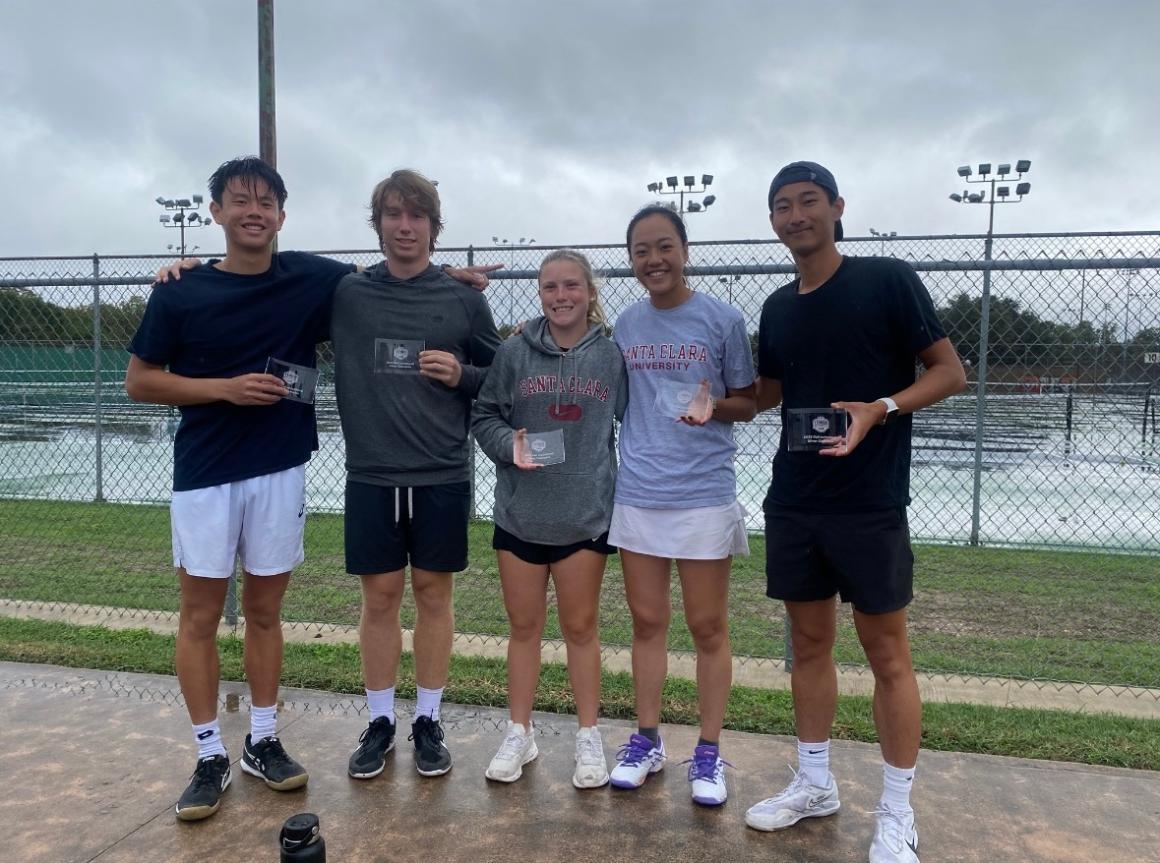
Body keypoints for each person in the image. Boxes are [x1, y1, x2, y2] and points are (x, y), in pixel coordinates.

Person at [743, 162, 966, 863]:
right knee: (808, 648)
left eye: (809, 201)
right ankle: (815, 783)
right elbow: (766, 395)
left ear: (837, 207)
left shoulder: (887, 279)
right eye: (782, 205)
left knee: (888, 656)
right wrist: (703, 398)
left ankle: (897, 811)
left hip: (870, 503)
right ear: (773, 220)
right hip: (795, 500)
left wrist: (881, 407)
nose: (796, 215)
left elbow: (949, 371)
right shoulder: (777, 307)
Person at [126, 157, 356, 821]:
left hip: (279, 468)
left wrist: (447, 274)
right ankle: (208, 753)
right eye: (240, 200)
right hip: (205, 473)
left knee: (264, 609)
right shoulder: (180, 290)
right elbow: (140, 380)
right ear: (217, 212)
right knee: (199, 615)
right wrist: (222, 389)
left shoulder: (311, 277)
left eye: (266, 201)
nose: (254, 210)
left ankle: (261, 739)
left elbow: (391, 287)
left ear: (282, 216)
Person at [338, 170, 501, 781]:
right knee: (379, 599)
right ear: (377, 223)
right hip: (372, 475)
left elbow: (499, 373)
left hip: (441, 474)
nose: (405, 227)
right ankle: (380, 720)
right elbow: (271, 274)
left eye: (417, 216)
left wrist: (463, 374)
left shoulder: (461, 297)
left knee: (434, 596)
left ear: (435, 227)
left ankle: (428, 718)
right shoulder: (348, 293)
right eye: (393, 215)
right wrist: (189, 265)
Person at [606, 205, 757, 806]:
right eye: (641, 251)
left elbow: (748, 401)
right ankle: (647, 740)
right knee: (647, 623)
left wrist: (714, 406)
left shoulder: (722, 319)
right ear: (632, 261)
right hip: (640, 492)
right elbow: (615, 400)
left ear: (686, 250)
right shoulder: (625, 324)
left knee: (707, 626)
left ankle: (709, 752)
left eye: (664, 246)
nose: (654, 260)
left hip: (702, 496)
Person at [471, 249, 627, 788]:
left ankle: (589, 736)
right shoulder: (515, 351)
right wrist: (505, 445)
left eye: (570, 286)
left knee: (581, 629)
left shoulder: (611, 355)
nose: (560, 296)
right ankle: (521, 731)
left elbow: (639, 419)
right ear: (539, 294)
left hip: (584, 518)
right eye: (549, 287)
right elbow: (484, 415)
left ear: (590, 292)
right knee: (524, 629)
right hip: (520, 517)